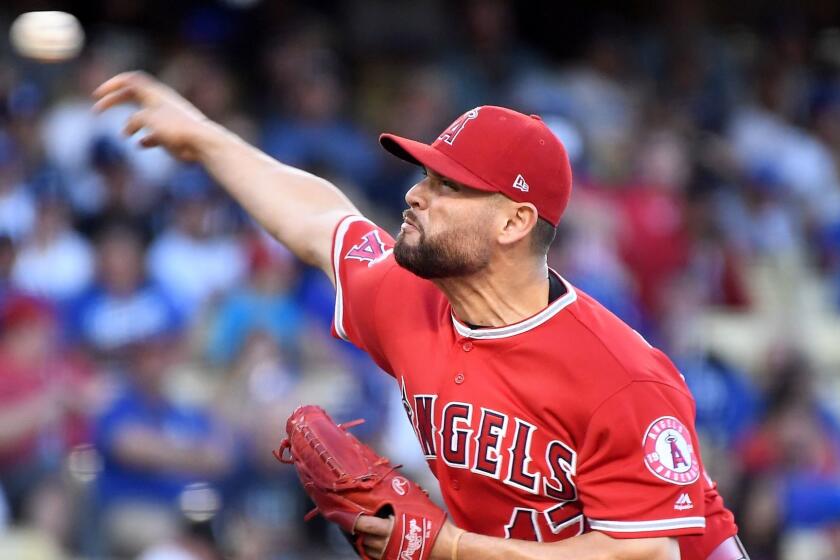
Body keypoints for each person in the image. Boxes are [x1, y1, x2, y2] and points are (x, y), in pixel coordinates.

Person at [93, 71, 748, 560]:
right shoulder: (408, 298)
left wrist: (452, 547)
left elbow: (646, 553)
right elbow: (321, 219)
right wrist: (208, 140)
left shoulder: (621, 378)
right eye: (425, 176)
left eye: (448, 186)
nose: (415, 194)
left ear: (515, 221)